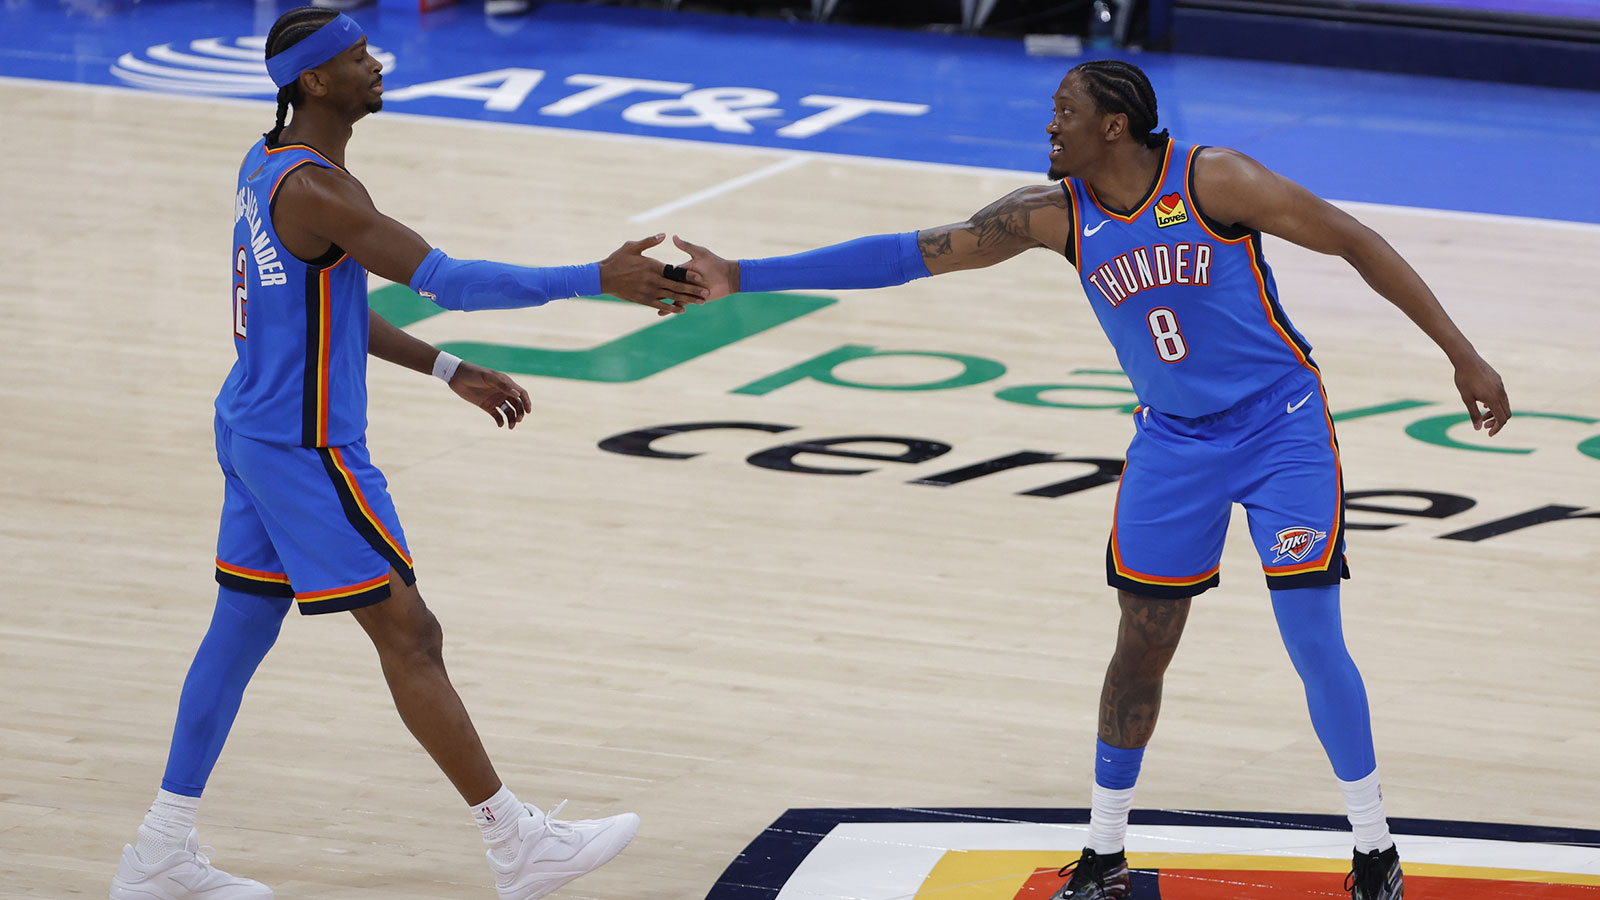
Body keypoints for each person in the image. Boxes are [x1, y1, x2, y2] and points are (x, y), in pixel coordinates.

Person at [675, 59, 1510, 900]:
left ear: (1112, 125)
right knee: (1141, 645)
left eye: (1062, 111)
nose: (1049, 126)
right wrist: (743, 274)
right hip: (1172, 445)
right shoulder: (1051, 215)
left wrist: (1462, 353)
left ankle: (1374, 850)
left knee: (1311, 638)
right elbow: (909, 255)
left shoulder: (1213, 178)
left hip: (1279, 427)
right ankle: (1104, 852)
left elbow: (1354, 239)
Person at [108, 8, 707, 900]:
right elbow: (452, 280)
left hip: (253, 429)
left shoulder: (268, 163)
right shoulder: (321, 193)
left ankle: (159, 852)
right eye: (357, 57)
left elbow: (326, 308)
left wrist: (445, 366)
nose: (377, 63)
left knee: (238, 630)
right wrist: (597, 277)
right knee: (411, 635)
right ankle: (515, 842)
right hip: (307, 451)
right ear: (314, 81)